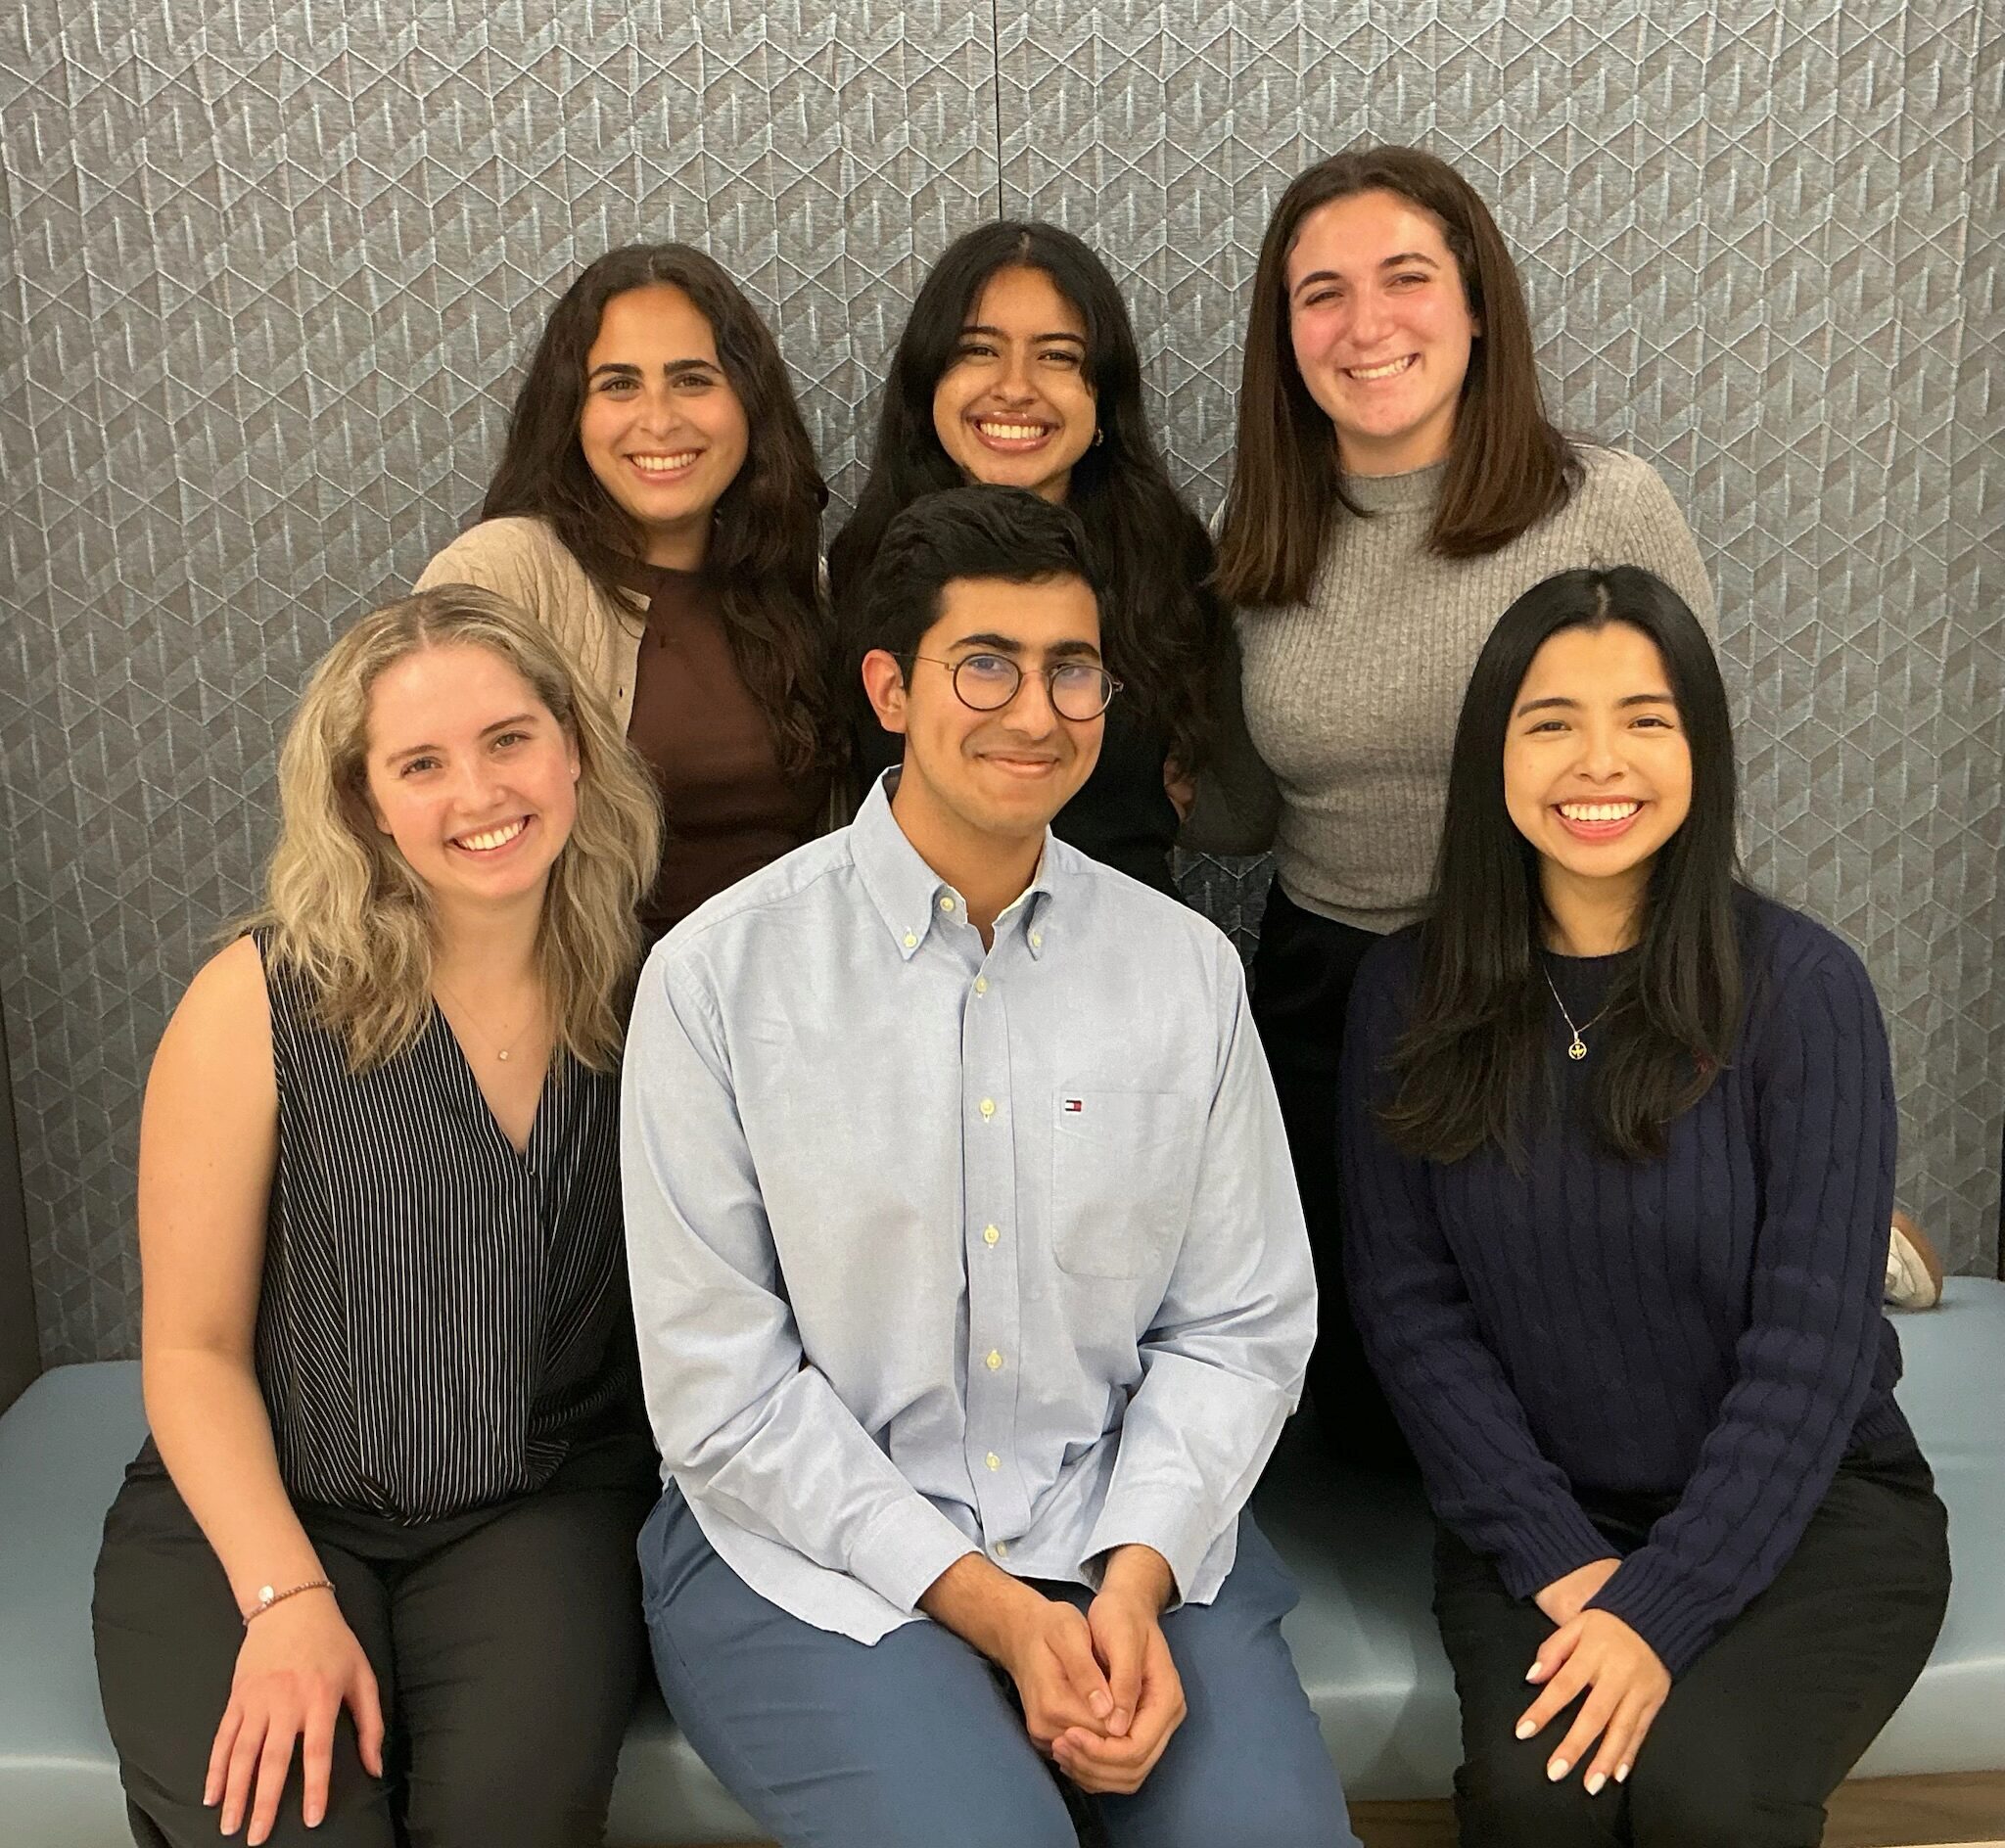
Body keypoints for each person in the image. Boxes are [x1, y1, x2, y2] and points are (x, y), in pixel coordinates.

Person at [622, 486, 1358, 1848]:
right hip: (808, 1560)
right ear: (890, 689)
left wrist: (1130, 1585)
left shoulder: (1183, 973)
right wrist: (995, 1608)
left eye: (1071, 669)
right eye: (988, 665)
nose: (1036, 711)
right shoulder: (717, 982)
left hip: (1119, 1528)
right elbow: (721, 1397)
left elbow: (1243, 1331)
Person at [1339, 567, 1951, 1846]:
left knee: (1706, 1801)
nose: (1597, 760)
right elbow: (1411, 1313)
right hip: (1549, 1514)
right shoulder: (1407, 993)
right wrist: (1563, 1561)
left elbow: (1812, 1354)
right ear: (1493, 754)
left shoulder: (1803, 988)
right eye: (1551, 720)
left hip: (1812, 1506)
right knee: (1533, 1805)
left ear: (1701, 749)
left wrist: (1658, 1610)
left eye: (1647, 718)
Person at [92, 586, 665, 1848]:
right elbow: (188, 1351)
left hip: (533, 1501)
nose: (480, 793)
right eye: (420, 762)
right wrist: (283, 1596)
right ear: (360, 798)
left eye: (509, 739)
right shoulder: (254, 1000)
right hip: (258, 1497)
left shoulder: (655, 999)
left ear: (572, 745)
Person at [1188, 144, 1718, 1462]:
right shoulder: (1258, 533)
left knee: (1572, 1403)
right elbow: (1247, 810)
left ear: (1478, 304)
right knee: (1354, 1429)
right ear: (1284, 334)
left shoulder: (1608, 508)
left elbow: (1691, 796)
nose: (1366, 326)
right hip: (1328, 1005)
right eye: (1321, 294)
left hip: (1558, 996)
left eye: (1406, 278)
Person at [417, 241, 840, 941]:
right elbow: (417, 815)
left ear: (748, 403)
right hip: (589, 1023)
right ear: (571, 413)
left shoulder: (804, 587)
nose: (659, 419)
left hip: (783, 1015)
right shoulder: (502, 579)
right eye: (619, 384)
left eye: (693, 380)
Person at [829, 222, 1222, 894]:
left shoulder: (1171, 560)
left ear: (1103, 397)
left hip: (1124, 952)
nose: (1015, 388)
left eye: (1059, 357)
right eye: (977, 351)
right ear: (929, 383)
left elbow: (1199, 784)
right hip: (907, 959)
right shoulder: (862, 562)